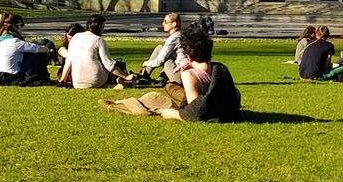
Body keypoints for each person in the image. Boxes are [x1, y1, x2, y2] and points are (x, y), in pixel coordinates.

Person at [99, 26, 241, 121]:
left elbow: (195, 110)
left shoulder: (190, 74)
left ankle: (120, 103)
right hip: (222, 107)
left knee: (152, 98)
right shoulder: (219, 68)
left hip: (209, 107)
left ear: (187, 55)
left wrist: (175, 114)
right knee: (168, 89)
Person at [58, 14, 133, 89]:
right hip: (95, 80)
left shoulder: (75, 37)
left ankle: (113, 85)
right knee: (108, 63)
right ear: (99, 27)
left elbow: (68, 62)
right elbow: (108, 64)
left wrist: (62, 80)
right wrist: (126, 76)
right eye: (103, 27)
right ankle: (116, 83)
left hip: (77, 83)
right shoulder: (98, 40)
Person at [0, 14, 53, 84]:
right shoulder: (15, 42)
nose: (22, 29)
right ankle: (44, 76)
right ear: (15, 27)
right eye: (21, 25)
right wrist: (48, 50)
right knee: (37, 52)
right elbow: (39, 49)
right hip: (11, 77)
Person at [141, 12, 187, 80]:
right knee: (160, 48)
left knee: (166, 58)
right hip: (186, 73)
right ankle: (152, 77)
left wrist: (145, 63)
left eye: (166, 22)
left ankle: (144, 77)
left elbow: (158, 62)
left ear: (174, 24)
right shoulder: (180, 35)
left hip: (181, 76)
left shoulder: (173, 38)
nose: (163, 24)